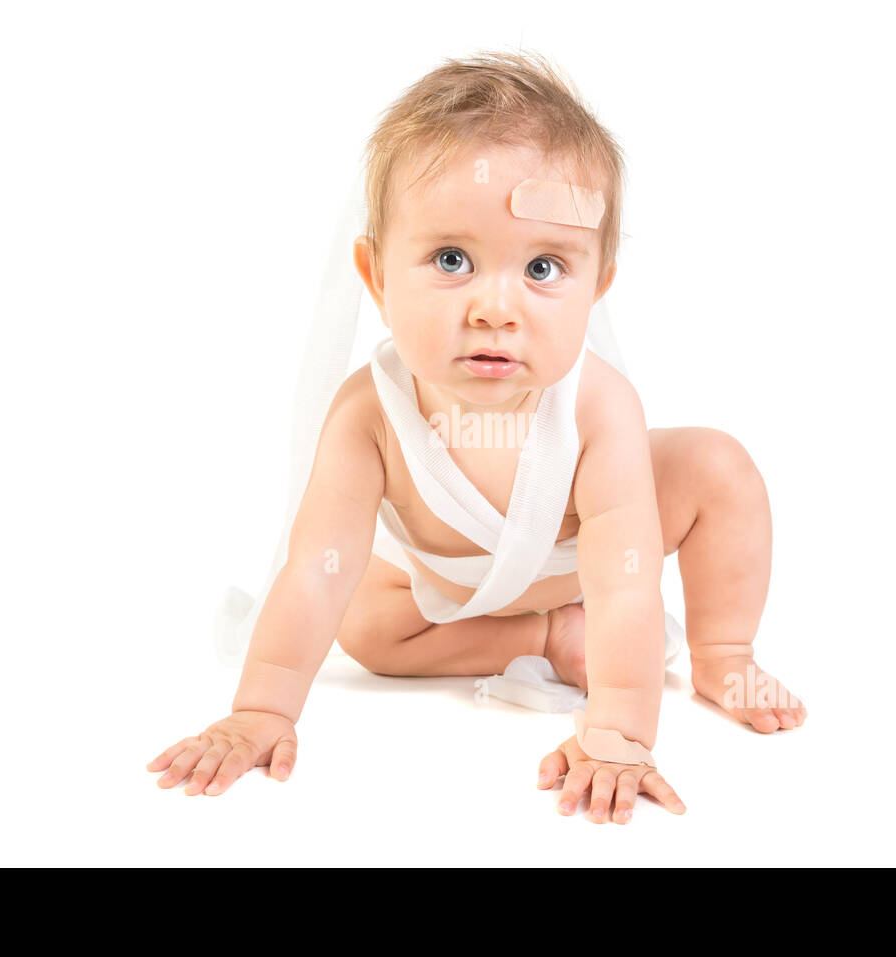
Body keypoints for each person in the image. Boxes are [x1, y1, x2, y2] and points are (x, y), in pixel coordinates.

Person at [149, 50, 805, 824]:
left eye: (543, 267)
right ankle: (543, 637)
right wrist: (261, 709)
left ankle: (725, 655)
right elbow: (316, 570)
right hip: (446, 589)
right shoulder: (368, 415)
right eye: (453, 259)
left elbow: (626, 579)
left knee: (718, 468)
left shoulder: (598, 408)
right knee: (362, 626)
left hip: (582, 561)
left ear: (597, 287)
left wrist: (618, 731)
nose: (497, 306)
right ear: (376, 277)